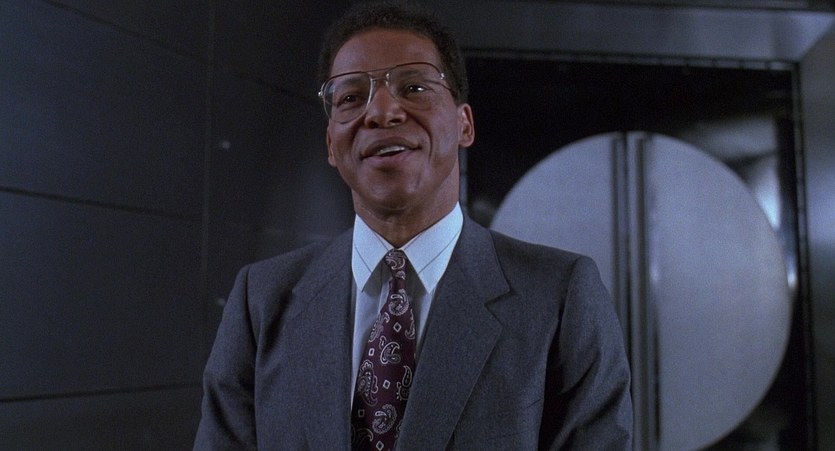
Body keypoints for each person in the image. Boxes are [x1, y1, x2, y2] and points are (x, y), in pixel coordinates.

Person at [193, 2, 633, 450]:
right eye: (351, 97)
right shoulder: (262, 301)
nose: (382, 112)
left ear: (464, 124)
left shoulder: (559, 297)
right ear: (330, 144)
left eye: (414, 87)